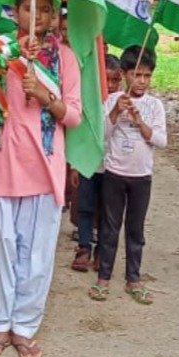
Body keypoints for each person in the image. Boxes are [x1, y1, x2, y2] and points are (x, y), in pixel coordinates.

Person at [0, 0, 82, 357]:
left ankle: (25, 326)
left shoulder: (63, 59)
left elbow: (75, 116)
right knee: (4, 248)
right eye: (30, 9)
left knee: (38, 253)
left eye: (45, 10)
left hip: (44, 165)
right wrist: (11, 51)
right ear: (15, 12)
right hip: (1, 162)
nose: (38, 17)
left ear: (53, 16)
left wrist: (46, 96)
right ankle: (1, 322)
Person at [89, 45, 167, 304]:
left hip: (141, 176)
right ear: (124, 74)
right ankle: (103, 278)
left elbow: (160, 140)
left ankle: (133, 277)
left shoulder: (154, 106)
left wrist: (139, 121)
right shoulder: (112, 100)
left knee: (136, 229)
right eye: (136, 75)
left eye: (146, 75)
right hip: (114, 173)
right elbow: (101, 135)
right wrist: (116, 112)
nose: (141, 81)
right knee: (110, 228)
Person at [69, 55, 122, 273]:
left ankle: (102, 250)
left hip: (112, 167)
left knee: (107, 210)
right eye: (105, 80)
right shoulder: (87, 101)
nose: (109, 86)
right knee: (85, 206)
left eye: (115, 80)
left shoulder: (122, 102)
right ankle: (83, 247)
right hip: (88, 163)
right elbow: (78, 132)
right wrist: (74, 164)